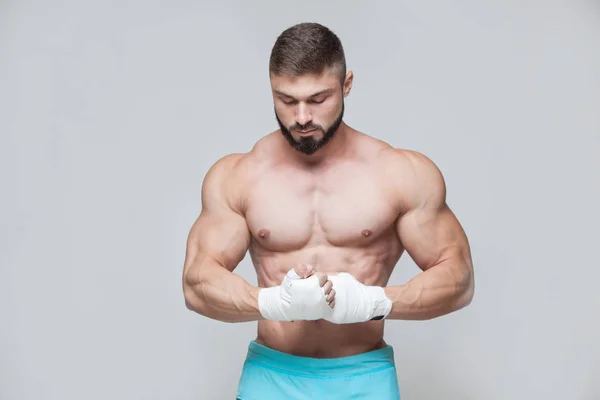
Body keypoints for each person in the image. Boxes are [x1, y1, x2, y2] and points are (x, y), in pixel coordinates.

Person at [182, 22, 475, 400]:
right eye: (286, 100)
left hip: (364, 378)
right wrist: (272, 303)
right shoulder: (238, 176)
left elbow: (459, 278)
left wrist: (373, 302)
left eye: (318, 99)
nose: (302, 117)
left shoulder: (399, 173)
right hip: (271, 377)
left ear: (346, 85)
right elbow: (196, 283)